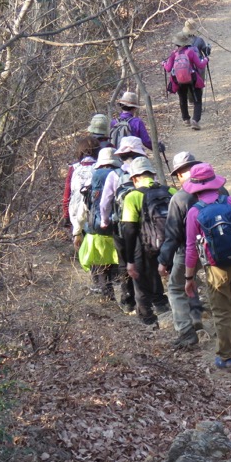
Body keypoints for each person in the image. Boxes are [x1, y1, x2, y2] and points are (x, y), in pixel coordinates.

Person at [183, 163, 231, 371]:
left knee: (222, 313)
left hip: (216, 269)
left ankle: (227, 358)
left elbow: (191, 248)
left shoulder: (194, 213)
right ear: (215, 183)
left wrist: (189, 278)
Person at [157, 152, 215, 348]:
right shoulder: (220, 190)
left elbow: (172, 234)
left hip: (188, 251)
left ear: (179, 175)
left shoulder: (180, 198)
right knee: (198, 282)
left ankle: (186, 331)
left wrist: (164, 260)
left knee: (176, 286)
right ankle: (197, 317)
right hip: (216, 248)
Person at [120, 157, 173, 326]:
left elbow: (129, 230)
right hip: (171, 247)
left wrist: (129, 261)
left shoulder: (132, 196)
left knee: (141, 287)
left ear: (134, 178)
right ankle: (174, 313)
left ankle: (149, 323)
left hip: (144, 248)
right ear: (153, 174)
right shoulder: (171, 192)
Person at [100, 136, 148, 314]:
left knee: (124, 262)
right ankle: (145, 298)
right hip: (145, 227)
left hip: (121, 226)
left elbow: (105, 202)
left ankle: (128, 301)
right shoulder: (148, 173)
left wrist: (105, 220)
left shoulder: (115, 175)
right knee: (144, 259)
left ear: (121, 156)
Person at [77, 147, 121, 299]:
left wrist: (77, 230)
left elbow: (83, 207)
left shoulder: (92, 179)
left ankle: (107, 297)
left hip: (95, 231)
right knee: (119, 266)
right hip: (118, 230)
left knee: (100, 266)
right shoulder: (121, 176)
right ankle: (126, 298)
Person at [163, 32, 208, 130]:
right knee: (197, 100)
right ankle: (195, 120)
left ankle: (186, 119)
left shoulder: (173, 54)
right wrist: (206, 59)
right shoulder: (190, 52)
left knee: (182, 98)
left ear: (177, 43)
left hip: (178, 79)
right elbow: (200, 65)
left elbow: (168, 69)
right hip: (192, 78)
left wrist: (163, 63)